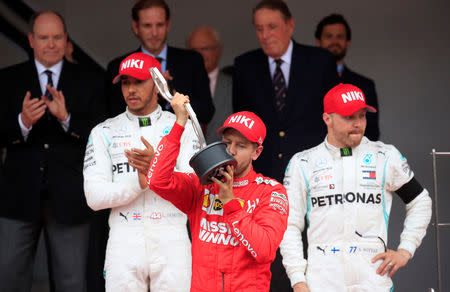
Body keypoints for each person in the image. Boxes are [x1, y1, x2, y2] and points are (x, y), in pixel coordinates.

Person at [280, 83, 432, 292]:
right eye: (348, 117)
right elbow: (288, 224)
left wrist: (405, 250)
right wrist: (298, 280)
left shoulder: (385, 156)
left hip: (373, 282)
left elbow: (420, 201)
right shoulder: (304, 162)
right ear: (327, 119)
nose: (357, 123)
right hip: (322, 284)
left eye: (361, 116)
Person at [232, 1, 338, 290]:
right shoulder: (245, 65)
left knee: (313, 255)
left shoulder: (320, 61)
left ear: (290, 25)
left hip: (314, 177)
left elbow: (334, 121)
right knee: (267, 261)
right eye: (259, 28)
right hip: (264, 180)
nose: (266, 34)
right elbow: (241, 128)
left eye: (272, 27)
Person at [0, 11, 105, 291]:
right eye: (44, 37)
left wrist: (67, 118)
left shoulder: (89, 79)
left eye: (57, 37)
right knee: (9, 277)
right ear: (31, 40)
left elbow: (101, 134)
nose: (51, 44)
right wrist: (22, 123)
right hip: (17, 195)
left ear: (66, 39)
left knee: (72, 282)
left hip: (69, 197)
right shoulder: (8, 79)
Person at [83, 52, 199, 291]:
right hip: (124, 239)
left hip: (172, 236)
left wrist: (157, 170)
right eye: (125, 83)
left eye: (138, 81)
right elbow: (94, 198)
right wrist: (140, 182)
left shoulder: (182, 125)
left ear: (158, 85)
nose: (131, 89)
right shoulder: (104, 131)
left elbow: (195, 188)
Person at [147, 99, 289, 291]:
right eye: (227, 142)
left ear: (257, 152)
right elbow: (157, 180)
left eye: (241, 146)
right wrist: (180, 124)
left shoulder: (270, 191)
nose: (231, 151)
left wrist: (230, 203)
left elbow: (264, 251)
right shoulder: (202, 185)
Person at [105, 0, 214, 128]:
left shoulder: (192, 61)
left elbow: (207, 113)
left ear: (168, 25)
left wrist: (169, 93)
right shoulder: (118, 66)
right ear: (136, 27)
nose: (154, 33)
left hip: (183, 142)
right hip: (135, 143)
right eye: (147, 26)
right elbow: (113, 117)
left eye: (160, 25)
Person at [315, 14, 380, 141]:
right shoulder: (306, 82)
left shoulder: (364, 85)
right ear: (318, 42)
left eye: (340, 37)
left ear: (348, 42)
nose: (334, 41)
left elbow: (371, 132)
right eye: (329, 36)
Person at [187, 26, 233, 144]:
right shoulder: (180, 85)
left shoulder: (234, 85)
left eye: (205, 48)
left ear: (219, 50)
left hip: (225, 156)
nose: (199, 54)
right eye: (194, 50)